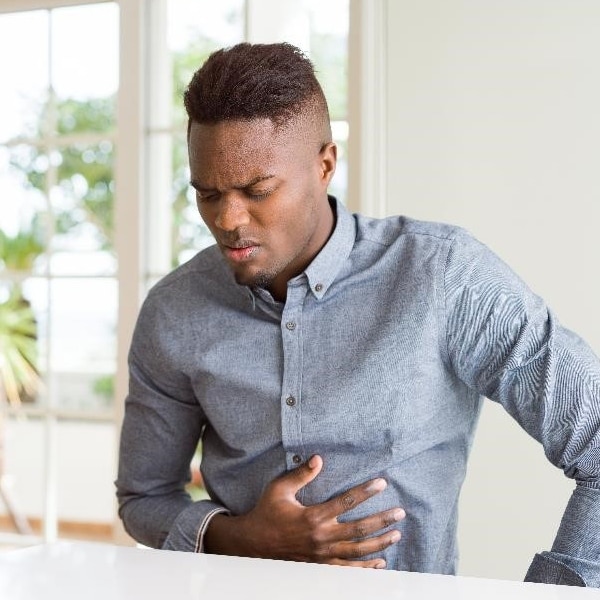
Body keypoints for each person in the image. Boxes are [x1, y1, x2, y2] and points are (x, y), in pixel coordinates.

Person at [115, 42, 600, 586]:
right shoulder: (174, 309)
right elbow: (144, 497)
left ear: (324, 165)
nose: (228, 219)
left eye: (258, 191)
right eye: (208, 194)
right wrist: (244, 537)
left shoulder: (442, 275)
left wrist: (557, 595)